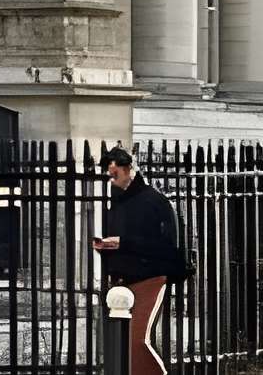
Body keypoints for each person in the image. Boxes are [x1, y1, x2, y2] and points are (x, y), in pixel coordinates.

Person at [92, 146, 181, 375]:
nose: (111, 181)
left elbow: (167, 247)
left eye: (115, 175)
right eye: (108, 176)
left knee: (134, 341)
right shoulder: (113, 202)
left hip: (149, 278)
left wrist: (123, 243)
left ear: (130, 169)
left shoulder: (155, 201)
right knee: (120, 344)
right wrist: (105, 246)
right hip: (119, 280)